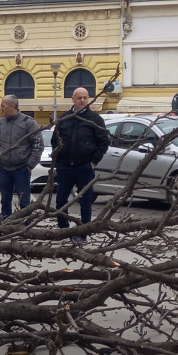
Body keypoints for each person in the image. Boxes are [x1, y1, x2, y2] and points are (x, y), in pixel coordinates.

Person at [52, 87, 109, 244]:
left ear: (88, 99)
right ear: (73, 99)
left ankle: (83, 233)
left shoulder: (95, 120)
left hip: (85, 166)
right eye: (79, 98)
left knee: (85, 201)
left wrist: (93, 162)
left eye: (85, 97)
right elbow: (54, 140)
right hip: (65, 167)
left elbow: (104, 142)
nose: (82, 100)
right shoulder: (64, 118)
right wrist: (58, 160)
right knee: (61, 200)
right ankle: (63, 231)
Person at [0, 95, 43, 221]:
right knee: (5, 200)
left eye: (3, 106)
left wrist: (30, 165)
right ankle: (6, 223)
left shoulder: (28, 122)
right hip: (4, 168)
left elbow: (38, 144)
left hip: (22, 168)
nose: (0, 109)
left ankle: (25, 225)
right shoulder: (0, 123)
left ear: (12, 106)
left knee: (24, 200)